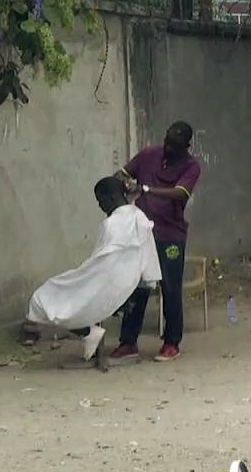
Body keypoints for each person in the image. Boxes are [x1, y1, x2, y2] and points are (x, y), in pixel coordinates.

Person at [21, 177, 162, 368]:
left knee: (43, 298)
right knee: (66, 293)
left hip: (108, 284)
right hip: (130, 283)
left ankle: (88, 332)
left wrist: (81, 275)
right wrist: (149, 281)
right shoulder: (139, 217)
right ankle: (90, 334)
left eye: (100, 200)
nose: (99, 205)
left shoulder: (111, 224)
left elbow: (99, 262)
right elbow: (148, 256)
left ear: (111, 197)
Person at [111, 121, 202, 362]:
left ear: (186, 146)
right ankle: (128, 342)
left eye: (175, 145)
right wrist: (122, 182)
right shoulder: (149, 154)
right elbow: (123, 173)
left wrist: (147, 189)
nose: (168, 147)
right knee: (137, 285)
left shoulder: (191, 166)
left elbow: (180, 193)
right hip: (141, 233)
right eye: (167, 141)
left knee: (170, 287)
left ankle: (172, 342)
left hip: (170, 235)